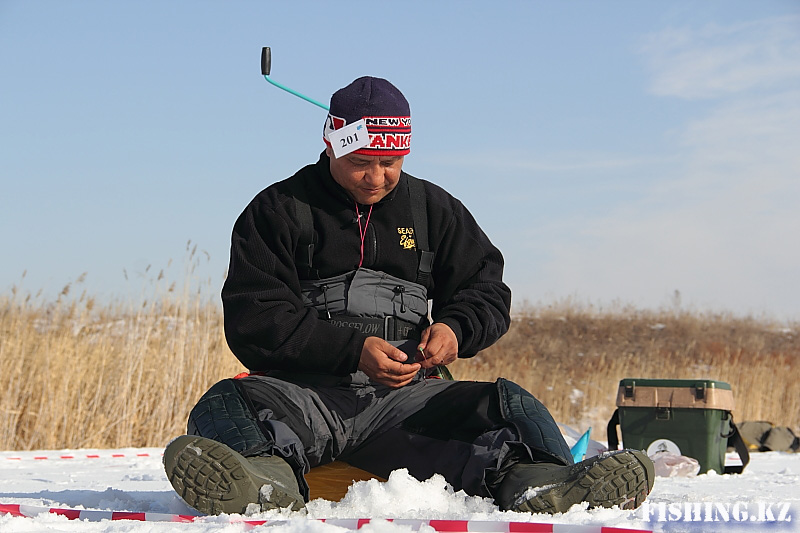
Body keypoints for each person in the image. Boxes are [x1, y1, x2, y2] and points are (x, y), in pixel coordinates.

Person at [163, 76, 654, 515]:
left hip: (411, 404)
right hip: (305, 399)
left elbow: (486, 291)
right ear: (331, 143)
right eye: (361, 162)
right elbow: (255, 317)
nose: (376, 177)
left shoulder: (435, 210)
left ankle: (543, 486)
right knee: (226, 403)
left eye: (391, 162)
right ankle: (264, 487)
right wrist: (351, 350)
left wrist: (455, 328)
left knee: (511, 406)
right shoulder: (277, 210)